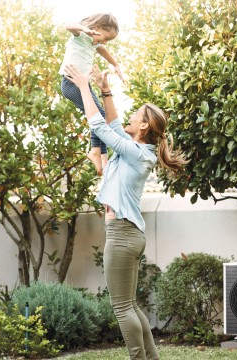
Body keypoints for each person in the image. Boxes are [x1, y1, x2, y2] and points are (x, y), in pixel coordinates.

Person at [64, 62, 187, 360]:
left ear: (144, 126)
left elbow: (100, 127)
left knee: (122, 307)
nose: (131, 116)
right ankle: (151, 358)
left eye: (137, 115)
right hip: (128, 233)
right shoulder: (137, 150)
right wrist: (104, 89)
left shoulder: (134, 153)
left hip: (121, 234)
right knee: (129, 305)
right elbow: (115, 125)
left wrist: (83, 87)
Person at [59, 13, 124, 175]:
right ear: (97, 28)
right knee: (99, 114)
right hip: (70, 83)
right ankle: (95, 150)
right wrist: (84, 29)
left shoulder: (95, 43)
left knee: (100, 116)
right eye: (106, 38)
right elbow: (68, 25)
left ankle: (102, 156)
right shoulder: (80, 35)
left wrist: (115, 64)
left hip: (82, 84)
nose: (105, 42)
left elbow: (102, 50)